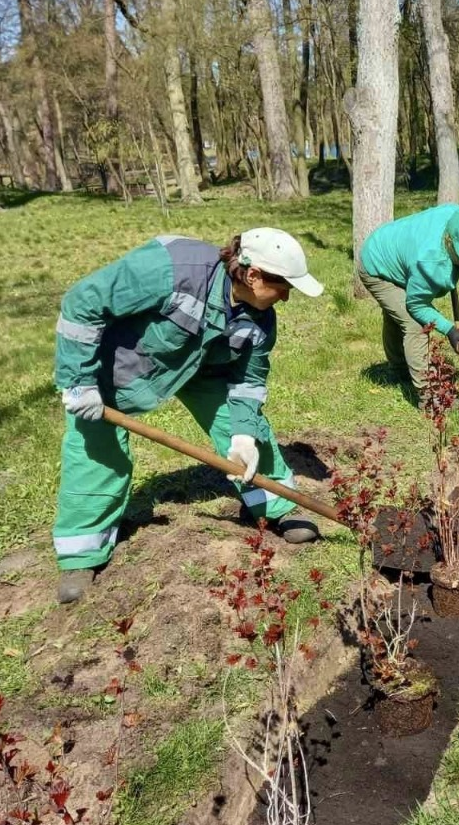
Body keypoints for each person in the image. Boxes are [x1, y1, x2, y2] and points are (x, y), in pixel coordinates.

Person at [53, 228, 324, 604]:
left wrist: (243, 435)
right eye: (283, 286)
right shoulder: (171, 269)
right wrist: (79, 381)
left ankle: (275, 505)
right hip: (128, 360)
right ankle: (81, 552)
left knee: (250, 431)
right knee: (96, 450)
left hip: (206, 366)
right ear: (253, 275)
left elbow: (248, 381)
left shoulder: (261, 320)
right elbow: (83, 301)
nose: (287, 296)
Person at [358, 204, 459, 398]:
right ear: (448, 241)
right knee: (414, 324)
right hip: (376, 265)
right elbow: (416, 305)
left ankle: (398, 371)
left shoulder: (458, 217)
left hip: (398, 252)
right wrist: (449, 329)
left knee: (397, 313)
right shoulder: (428, 260)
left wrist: (457, 266)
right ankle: (427, 397)